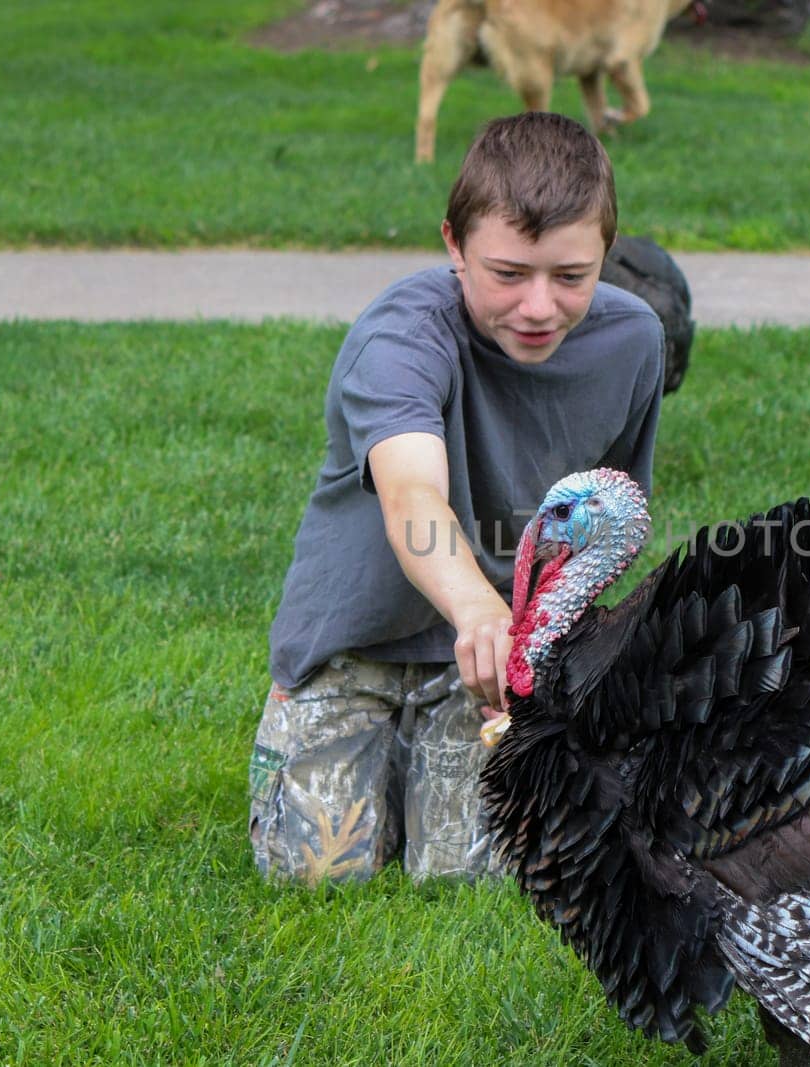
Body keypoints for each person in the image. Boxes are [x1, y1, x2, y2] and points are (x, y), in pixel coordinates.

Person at [248, 112, 665, 886]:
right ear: (453, 245)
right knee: (316, 875)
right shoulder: (400, 338)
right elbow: (412, 496)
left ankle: (427, 769)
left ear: (606, 250)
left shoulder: (635, 341)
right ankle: (317, 718)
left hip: (493, 661)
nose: (539, 306)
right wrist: (478, 608)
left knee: (464, 878)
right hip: (353, 646)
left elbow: (604, 520)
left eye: (571, 276)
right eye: (508, 273)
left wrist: (551, 661)